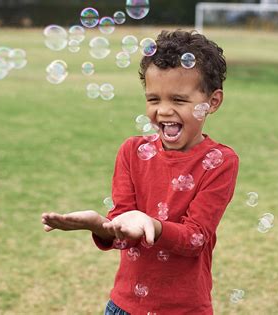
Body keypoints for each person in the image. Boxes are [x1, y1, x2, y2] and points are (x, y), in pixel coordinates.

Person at [41, 30, 239, 314]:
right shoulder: (131, 152)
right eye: (153, 99)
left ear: (213, 102)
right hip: (125, 306)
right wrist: (100, 226)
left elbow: (196, 238)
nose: (164, 111)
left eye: (179, 100)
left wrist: (152, 225)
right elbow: (123, 229)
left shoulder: (220, 161)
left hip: (185, 309)